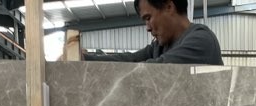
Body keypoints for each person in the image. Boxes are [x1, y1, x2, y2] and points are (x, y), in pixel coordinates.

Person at [83, 0, 223, 66]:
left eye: (148, 18)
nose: (148, 28)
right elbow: (130, 59)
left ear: (169, 7)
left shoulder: (201, 40)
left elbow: (153, 69)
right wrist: (84, 58)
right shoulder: (160, 46)